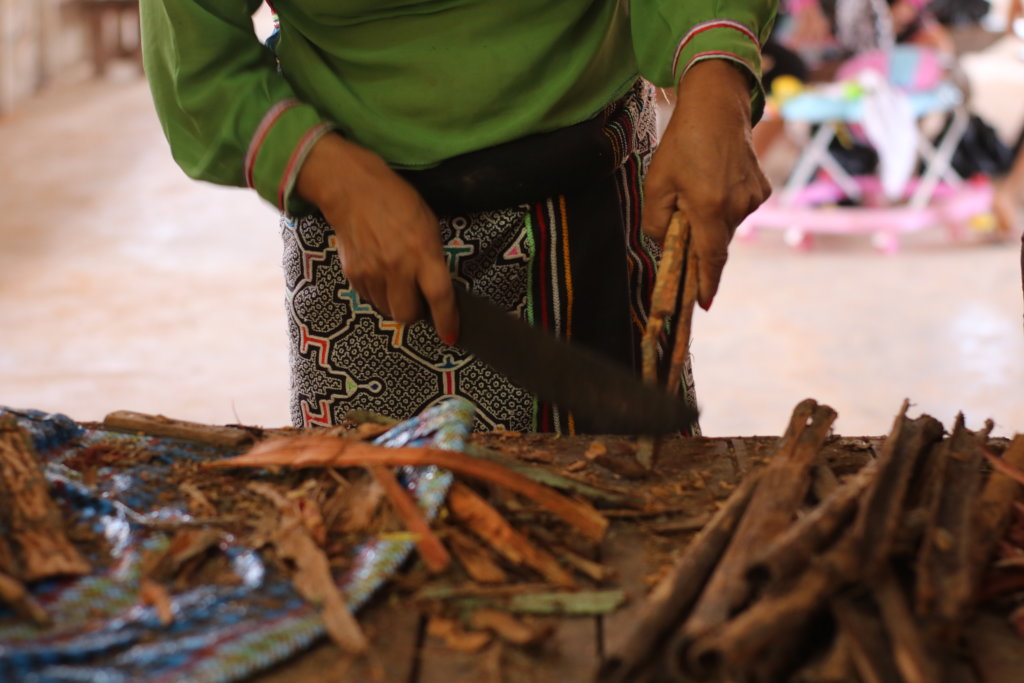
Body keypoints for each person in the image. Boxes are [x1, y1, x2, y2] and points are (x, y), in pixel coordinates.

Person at [139, 1, 774, 433]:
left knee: (636, 533)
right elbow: (200, 71)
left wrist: (717, 82)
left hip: (596, 212)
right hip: (365, 251)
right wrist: (333, 178)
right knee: (379, 544)